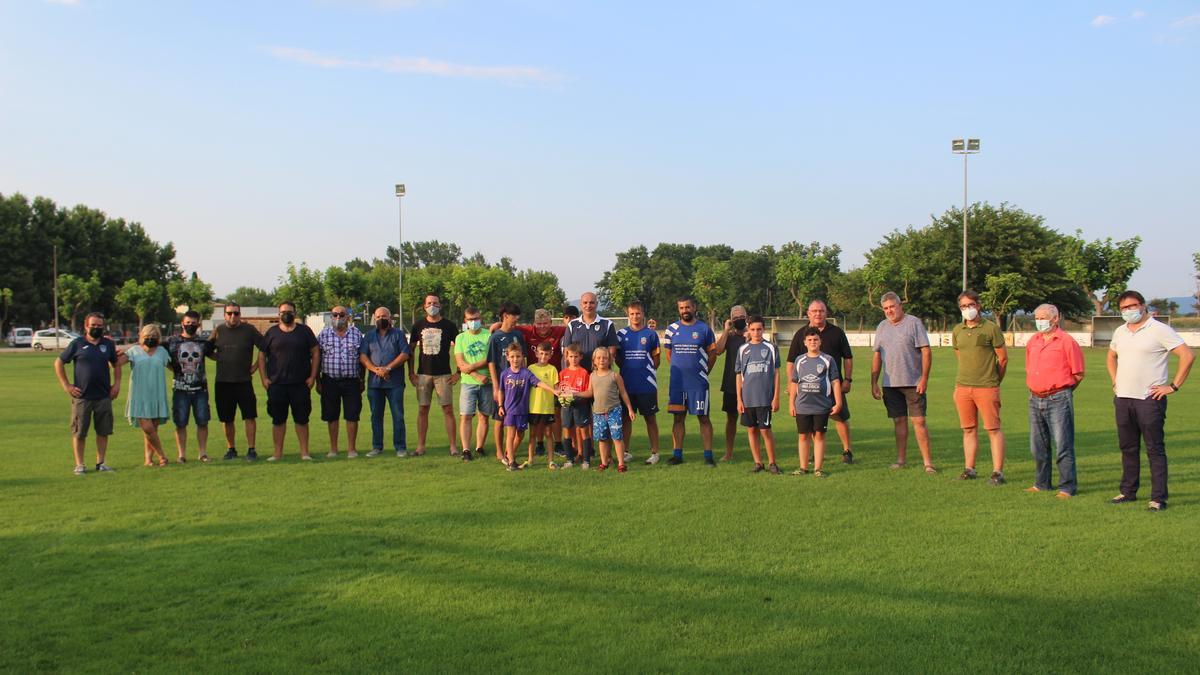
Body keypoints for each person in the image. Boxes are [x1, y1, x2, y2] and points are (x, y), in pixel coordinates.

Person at [1107, 290, 1194, 511]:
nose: (1129, 311)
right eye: (1124, 308)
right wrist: (1115, 380)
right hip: (1123, 398)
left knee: (1154, 448)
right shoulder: (1120, 331)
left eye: (1133, 306)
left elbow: (1187, 355)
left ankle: (1158, 498)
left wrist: (1173, 386)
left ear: (1143, 305)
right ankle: (1128, 491)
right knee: (1128, 447)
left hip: (1149, 399)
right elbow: (1111, 355)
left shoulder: (1159, 329)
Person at [870, 292, 936, 474]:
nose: (889, 311)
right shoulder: (882, 327)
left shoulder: (913, 323)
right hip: (890, 384)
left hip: (913, 382)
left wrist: (924, 378)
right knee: (899, 421)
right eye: (885, 308)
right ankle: (901, 460)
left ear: (900, 306)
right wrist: (874, 382)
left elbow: (926, 351)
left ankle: (928, 463)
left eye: (892, 306)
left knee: (919, 421)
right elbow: (877, 355)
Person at [487, 307, 567, 456]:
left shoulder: (559, 331)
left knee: (555, 412)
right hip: (530, 379)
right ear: (534, 323)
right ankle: (539, 444)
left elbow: (571, 326)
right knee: (535, 413)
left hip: (552, 377)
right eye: (539, 323)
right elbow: (508, 325)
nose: (542, 326)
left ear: (551, 322)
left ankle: (558, 444)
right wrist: (496, 326)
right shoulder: (527, 331)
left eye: (545, 323)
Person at [1024, 303, 1085, 498]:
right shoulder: (1033, 341)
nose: (1040, 322)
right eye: (1037, 318)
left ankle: (1067, 486)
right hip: (1035, 398)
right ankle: (1042, 483)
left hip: (1058, 397)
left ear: (1055, 318)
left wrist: (1062, 390)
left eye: (1043, 318)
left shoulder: (1066, 341)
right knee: (1038, 446)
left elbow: (1078, 373)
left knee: (1062, 444)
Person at [787, 300, 856, 464]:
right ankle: (813, 455)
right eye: (814, 311)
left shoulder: (837, 333)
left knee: (840, 417)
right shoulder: (801, 334)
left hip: (832, 386)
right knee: (810, 422)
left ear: (826, 313)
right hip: (808, 389)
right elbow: (791, 362)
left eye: (821, 311)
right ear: (808, 313)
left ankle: (847, 450)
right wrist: (791, 384)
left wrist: (847, 379)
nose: (818, 314)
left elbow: (848, 357)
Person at [951, 290, 1008, 485]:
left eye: (971, 305)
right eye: (963, 306)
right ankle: (970, 468)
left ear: (978, 305)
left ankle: (998, 472)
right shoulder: (957, 330)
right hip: (963, 387)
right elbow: (960, 355)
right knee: (968, 429)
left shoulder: (991, 328)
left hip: (986, 387)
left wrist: (994, 381)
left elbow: (1003, 358)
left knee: (993, 429)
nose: (968, 309)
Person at [54, 312, 121, 475]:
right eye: (93, 326)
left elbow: (116, 364)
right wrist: (66, 385)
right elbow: (59, 362)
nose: (97, 328)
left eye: (99, 326)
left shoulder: (108, 344)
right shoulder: (77, 344)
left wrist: (117, 384)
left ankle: (101, 463)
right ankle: (80, 465)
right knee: (79, 432)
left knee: (103, 431)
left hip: (104, 396)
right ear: (86, 326)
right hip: (82, 396)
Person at [258, 301, 319, 461]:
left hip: (300, 384)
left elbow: (315, 352)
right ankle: (277, 453)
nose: (286, 314)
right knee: (278, 420)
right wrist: (264, 378)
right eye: (283, 311)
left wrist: (313, 376)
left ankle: (305, 453)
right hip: (277, 384)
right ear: (278, 314)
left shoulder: (304, 331)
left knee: (302, 419)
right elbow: (262, 355)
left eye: (290, 311)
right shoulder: (271, 333)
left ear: (295, 313)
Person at [663, 296, 717, 466]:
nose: (684, 311)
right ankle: (677, 454)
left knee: (703, 418)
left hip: (698, 383)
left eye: (687, 307)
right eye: (681, 308)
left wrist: (703, 372)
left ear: (694, 308)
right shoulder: (671, 329)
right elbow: (669, 355)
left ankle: (708, 456)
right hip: (678, 384)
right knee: (678, 418)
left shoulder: (704, 329)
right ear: (678, 309)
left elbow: (713, 354)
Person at [208, 302, 264, 461]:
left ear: (241, 314)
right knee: (227, 419)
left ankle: (251, 449)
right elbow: (206, 349)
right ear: (224, 315)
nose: (233, 316)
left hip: (244, 381)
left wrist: (255, 367)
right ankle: (230, 448)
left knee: (249, 416)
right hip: (223, 382)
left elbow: (265, 346)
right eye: (230, 313)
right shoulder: (218, 330)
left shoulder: (249, 330)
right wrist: (218, 357)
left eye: (236, 313)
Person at [408, 294, 460, 457]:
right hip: (423, 375)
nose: (432, 305)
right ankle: (420, 446)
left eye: (435, 303)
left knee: (448, 410)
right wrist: (411, 373)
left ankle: (453, 447)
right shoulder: (418, 325)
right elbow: (411, 350)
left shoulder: (450, 326)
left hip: (443, 375)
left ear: (440, 305)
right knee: (423, 410)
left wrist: (458, 372)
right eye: (429, 303)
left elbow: (460, 350)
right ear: (424, 306)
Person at [789, 326, 843, 477]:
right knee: (803, 435)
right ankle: (803, 467)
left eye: (816, 339)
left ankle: (818, 469)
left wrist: (838, 402)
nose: (813, 342)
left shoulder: (827, 360)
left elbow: (835, 382)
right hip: (803, 406)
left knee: (819, 435)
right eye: (810, 340)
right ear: (805, 342)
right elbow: (794, 382)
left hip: (821, 406)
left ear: (820, 341)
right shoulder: (799, 360)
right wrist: (791, 403)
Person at [496, 343, 559, 471]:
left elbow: (539, 383)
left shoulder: (526, 372)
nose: (515, 359)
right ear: (507, 357)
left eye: (518, 356)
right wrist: (500, 406)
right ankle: (511, 461)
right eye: (512, 356)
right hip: (510, 410)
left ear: (522, 357)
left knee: (520, 435)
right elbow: (501, 391)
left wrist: (553, 391)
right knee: (510, 435)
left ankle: (509, 456)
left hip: (524, 410)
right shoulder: (504, 374)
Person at [571, 347, 635, 472]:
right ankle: (604, 463)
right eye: (599, 358)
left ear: (609, 360)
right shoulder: (593, 376)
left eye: (605, 358)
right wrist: (575, 393)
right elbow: (590, 392)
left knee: (617, 438)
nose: (602, 360)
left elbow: (623, 393)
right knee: (602, 439)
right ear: (594, 361)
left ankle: (621, 464)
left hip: (614, 411)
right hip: (598, 413)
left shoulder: (614, 376)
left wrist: (630, 409)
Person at [359, 307, 411, 457]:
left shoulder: (398, 334)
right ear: (374, 318)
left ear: (390, 318)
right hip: (375, 383)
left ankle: (400, 447)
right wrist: (376, 370)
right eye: (378, 316)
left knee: (398, 415)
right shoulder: (369, 336)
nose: (381, 318)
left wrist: (388, 368)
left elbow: (405, 354)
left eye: (384, 316)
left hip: (394, 383)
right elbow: (363, 356)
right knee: (376, 416)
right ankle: (377, 446)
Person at [616, 301, 662, 465]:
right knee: (625, 418)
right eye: (632, 314)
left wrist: (646, 370)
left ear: (643, 314)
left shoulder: (651, 334)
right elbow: (618, 359)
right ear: (628, 315)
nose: (635, 316)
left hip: (646, 384)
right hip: (626, 385)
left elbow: (656, 359)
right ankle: (626, 451)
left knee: (650, 418)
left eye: (638, 313)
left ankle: (655, 452)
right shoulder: (621, 334)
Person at [119, 324, 172, 467]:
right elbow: (116, 364)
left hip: (157, 394)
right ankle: (162, 456)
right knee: (147, 428)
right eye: (147, 336)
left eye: (154, 336)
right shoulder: (134, 351)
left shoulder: (162, 352)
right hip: (139, 395)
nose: (150, 339)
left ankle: (148, 459)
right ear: (141, 337)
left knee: (152, 430)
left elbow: (174, 367)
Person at [166, 310, 215, 462]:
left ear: (199, 325)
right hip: (180, 390)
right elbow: (157, 354)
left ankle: (202, 453)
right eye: (187, 323)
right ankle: (181, 455)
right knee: (180, 423)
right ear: (182, 324)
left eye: (193, 324)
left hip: (200, 390)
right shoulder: (172, 342)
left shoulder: (203, 343)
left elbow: (217, 354)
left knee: (202, 421)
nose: (190, 326)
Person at [317, 305, 364, 458]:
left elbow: (362, 358)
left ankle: (351, 449)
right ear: (331, 317)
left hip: (351, 381)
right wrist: (318, 381)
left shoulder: (356, 334)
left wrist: (362, 380)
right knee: (331, 415)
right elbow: (317, 359)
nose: (338, 317)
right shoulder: (323, 335)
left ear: (348, 317)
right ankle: (333, 449)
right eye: (335, 314)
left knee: (352, 415)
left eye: (341, 314)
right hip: (329, 380)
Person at [736, 316, 781, 474]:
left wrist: (776, 397)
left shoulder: (771, 348)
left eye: (759, 329)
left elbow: (776, 373)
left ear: (764, 329)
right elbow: (739, 375)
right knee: (751, 430)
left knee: (765, 430)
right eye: (753, 329)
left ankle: (772, 463)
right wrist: (739, 399)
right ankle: (758, 462)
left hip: (764, 397)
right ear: (748, 329)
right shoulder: (743, 349)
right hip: (748, 398)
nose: (756, 332)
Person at [487, 302, 526, 463]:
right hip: (503, 386)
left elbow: (523, 359)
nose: (516, 321)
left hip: (518, 385)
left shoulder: (518, 335)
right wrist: (496, 386)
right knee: (499, 418)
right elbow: (491, 362)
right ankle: (499, 451)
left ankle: (510, 451)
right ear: (505, 316)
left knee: (517, 422)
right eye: (514, 318)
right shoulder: (495, 337)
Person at [453, 306, 492, 462]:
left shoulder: (488, 336)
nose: (473, 322)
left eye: (476, 318)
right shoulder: (460, 338)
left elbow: (488, 359)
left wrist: (472, 368)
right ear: (465, 321)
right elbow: (460, 362)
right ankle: (466, 449)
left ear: (480, 319)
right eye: (470, 319)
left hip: (487, 382)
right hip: (468, 382)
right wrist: (476, 375)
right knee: (466, 416)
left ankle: (480, 447)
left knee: (484, 416)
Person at [714, 305, 748, 462]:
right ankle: (728, 452)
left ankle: (759, 453)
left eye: (741, 316)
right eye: (735, 317)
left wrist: (750, 338)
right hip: (731, 384)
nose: (738, 319)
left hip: (751, 385)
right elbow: (718, 350)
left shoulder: (753, 334)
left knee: (755, 420)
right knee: (731, 418)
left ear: (746, 317)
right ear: (731, 320)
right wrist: (726, 330)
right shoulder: (730, 336)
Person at [526, 342, 560, 469]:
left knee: (548, 433)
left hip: (547, 408)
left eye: (546, 354)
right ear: (536, 354)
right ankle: (530, 459)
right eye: (541, 353)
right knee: (533, 434)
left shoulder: (552, 369)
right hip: (533, 407)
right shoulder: (530, 368)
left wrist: (562, 393)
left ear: (550, 355)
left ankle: (551, 460)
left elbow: (557, 387)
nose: (543, 356)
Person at [558, 342, 593, 468]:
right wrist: (561, 396)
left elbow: (588, 391)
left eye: (576, 356)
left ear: (581, 357)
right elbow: (560, 390)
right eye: (571, 356)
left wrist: (575, 394)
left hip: (581, 405)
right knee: (566, 430)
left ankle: (586, 460)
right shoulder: (562, 373)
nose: (573, 359)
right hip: (567, 406)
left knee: (584, 431)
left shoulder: (584, 373)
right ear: (566, 357)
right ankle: (569, 460)